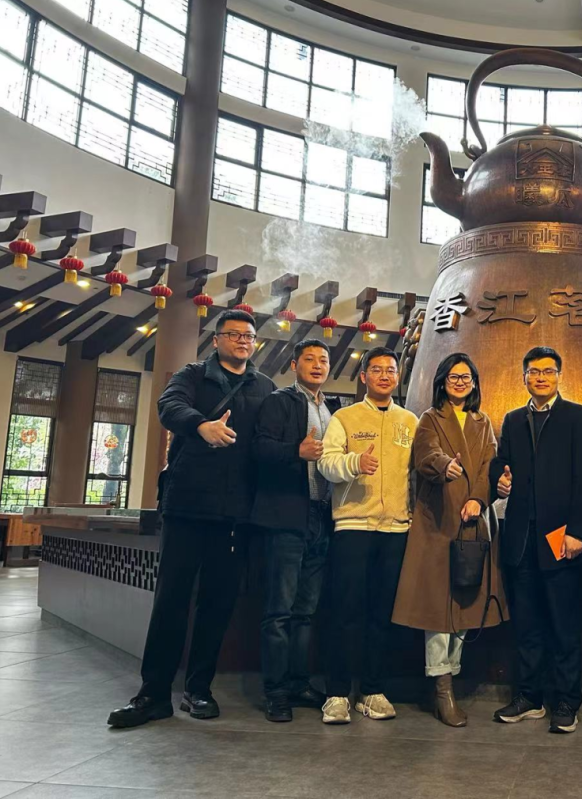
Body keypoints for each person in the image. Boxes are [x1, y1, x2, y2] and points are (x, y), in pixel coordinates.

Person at [108, 310, 275, 728]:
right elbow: (168, 407)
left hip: (235, 515)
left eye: (249, 335)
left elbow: (269, 442)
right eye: (234, 334)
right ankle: (153, 694)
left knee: (217, 604)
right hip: (186, 507)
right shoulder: (193, 375)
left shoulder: (265, 386)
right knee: (171, 600)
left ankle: (198, 690)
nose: (243, 340)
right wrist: (201, 426)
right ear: (216, 340)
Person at [392, 353, 508, 727]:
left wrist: (478, 498)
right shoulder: (430, 418)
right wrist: (445, 465)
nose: (460, 382)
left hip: (473, 523)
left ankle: (451, 675)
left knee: (465, 605)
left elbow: (490, 466)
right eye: (454, 377)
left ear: (474, 383)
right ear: (442, 382)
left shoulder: (482, 422)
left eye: (466, 377)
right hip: (438, 523)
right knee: (438, 611)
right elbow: (426, 455)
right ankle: (442, 688)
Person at [489, 346, 582, 734]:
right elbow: (501, 462)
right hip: (521, 538)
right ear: (524, 377)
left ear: (559, 376)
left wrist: (578, 531)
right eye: (534, 372)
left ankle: (567, 701)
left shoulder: (578, 416)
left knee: (564, 626)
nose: (540, 378)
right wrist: (499, 477)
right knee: (527, 625)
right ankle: (529, 697)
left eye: (548, 372)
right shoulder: (513, 419)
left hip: (561, 536)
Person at [318, 346, 418, 725]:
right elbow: (326, 463)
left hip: (396, 529)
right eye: (376, 370)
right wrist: (355, 462)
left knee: (382, 613)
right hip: (353, 526)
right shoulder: (344, 417)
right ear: (364, 377)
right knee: (345, 612)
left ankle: (373, 691)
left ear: (397, 376)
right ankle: (337, 693)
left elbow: (417, 472)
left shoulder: (409, 421)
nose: (384, 375)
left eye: (390, 370)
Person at [250, 339, 342, 722]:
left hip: (323, 516)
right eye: (310, 359)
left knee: (306, 611)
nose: (318, 365)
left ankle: (299, 683)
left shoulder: (334, 409)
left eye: (323, 360)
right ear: (294, 365)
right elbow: (259, 449)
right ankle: (275, 692)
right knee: (279, 611)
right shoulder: (279, 401)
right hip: (287, 516)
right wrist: (296, 452)